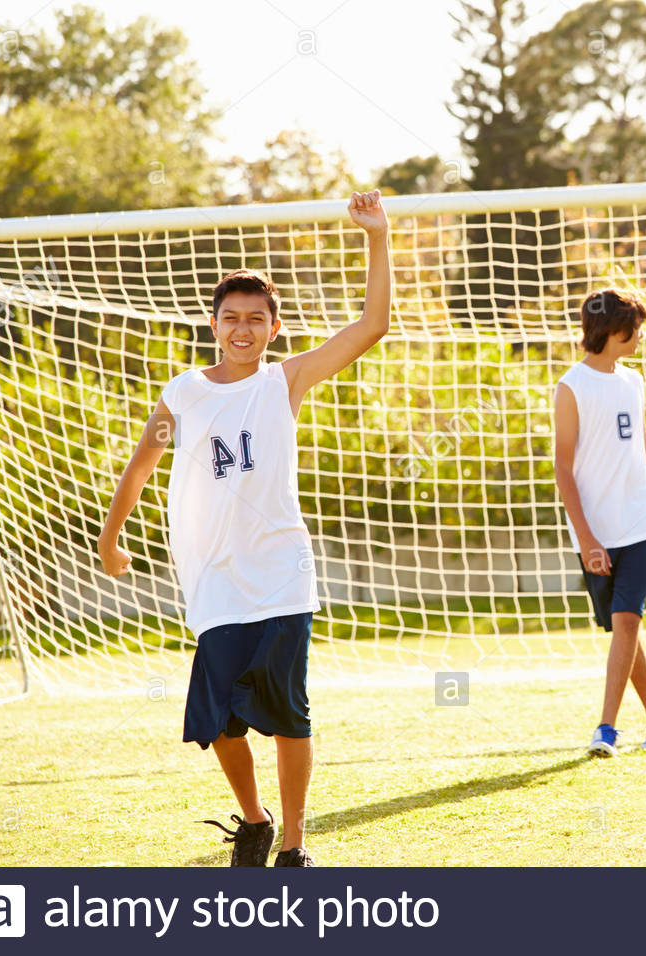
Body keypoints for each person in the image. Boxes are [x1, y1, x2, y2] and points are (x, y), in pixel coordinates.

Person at [96, 190, 392, 864]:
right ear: (212, 323)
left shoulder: (285, 382)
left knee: (289, 715)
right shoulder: (183, 393)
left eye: (255, 319)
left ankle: (292, 846)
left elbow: (372, 325)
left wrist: (376, 235)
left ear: (274, 328)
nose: (242, 329)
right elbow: (141, 466)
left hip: (282, 576)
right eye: (230, 317)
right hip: (216, 585)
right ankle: (253, 820)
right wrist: (111, 537)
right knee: (219, 722)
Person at [554, 289, 646, 757]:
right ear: (613, 331)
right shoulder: (571, 386)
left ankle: (605, 730)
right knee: (622, 629)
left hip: (639, 524)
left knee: (627, 621)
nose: (641, 336)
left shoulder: (635, 382)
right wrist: (587, 539)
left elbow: (643, 458)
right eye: (636, 328)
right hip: (594, 532)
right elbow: (563, 470)